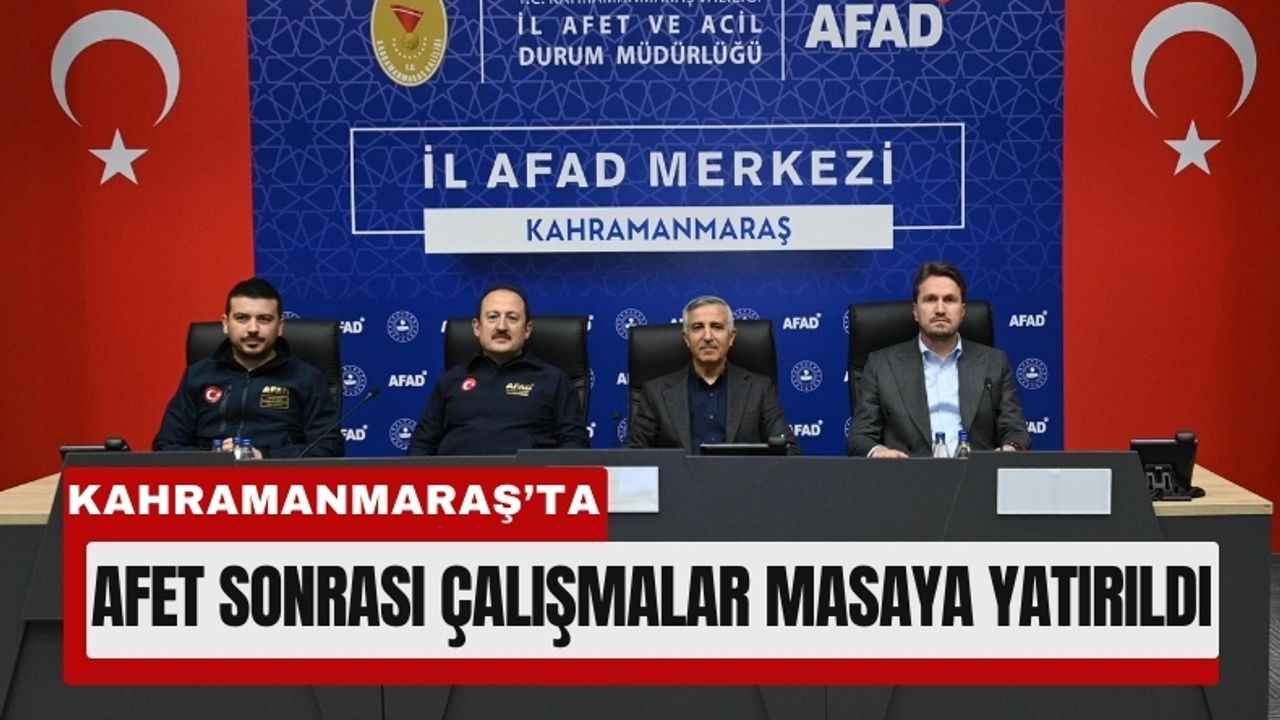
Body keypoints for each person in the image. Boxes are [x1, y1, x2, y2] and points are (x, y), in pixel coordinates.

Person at [848, 261, 1030, 458]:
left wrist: (1009, 449)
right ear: (915, 311)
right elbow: (860, 437)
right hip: (908, 472)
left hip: (975, 473)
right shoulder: (881, 365)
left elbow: (1016, 431)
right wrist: (879, 452)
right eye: (930, 299)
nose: (940, 309)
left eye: (950, 300)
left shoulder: (994, 362)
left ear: (962, 311)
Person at [153, 277, 344, 457]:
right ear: (225, 324)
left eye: (264, 319)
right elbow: (166, 445)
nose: (253, 329)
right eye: (242, 318)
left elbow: (329, 447)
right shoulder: (197, 375)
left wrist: (265, 457)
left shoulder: (306, 378)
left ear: (280, 326)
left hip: (277, 478)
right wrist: (212, 457)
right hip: (210, 477)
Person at [407, 285, 589, 455]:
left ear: (527, 330)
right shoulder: (450, 381)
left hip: (526, 477)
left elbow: (575, 445)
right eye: (492, 317)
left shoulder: (554, 380)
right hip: (456, 477)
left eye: (512, 318)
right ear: (477, 327)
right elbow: (421, 445)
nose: (501, 327)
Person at [626, 296, 800, 454]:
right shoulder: (656, 392)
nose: (708, 336)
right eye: (698, 327)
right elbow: (633, 456)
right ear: (686, 339)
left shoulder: (759, 389)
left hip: (740, 479)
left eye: (717, 327)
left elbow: (788, 451)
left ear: (731, 337)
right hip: (679, 479)